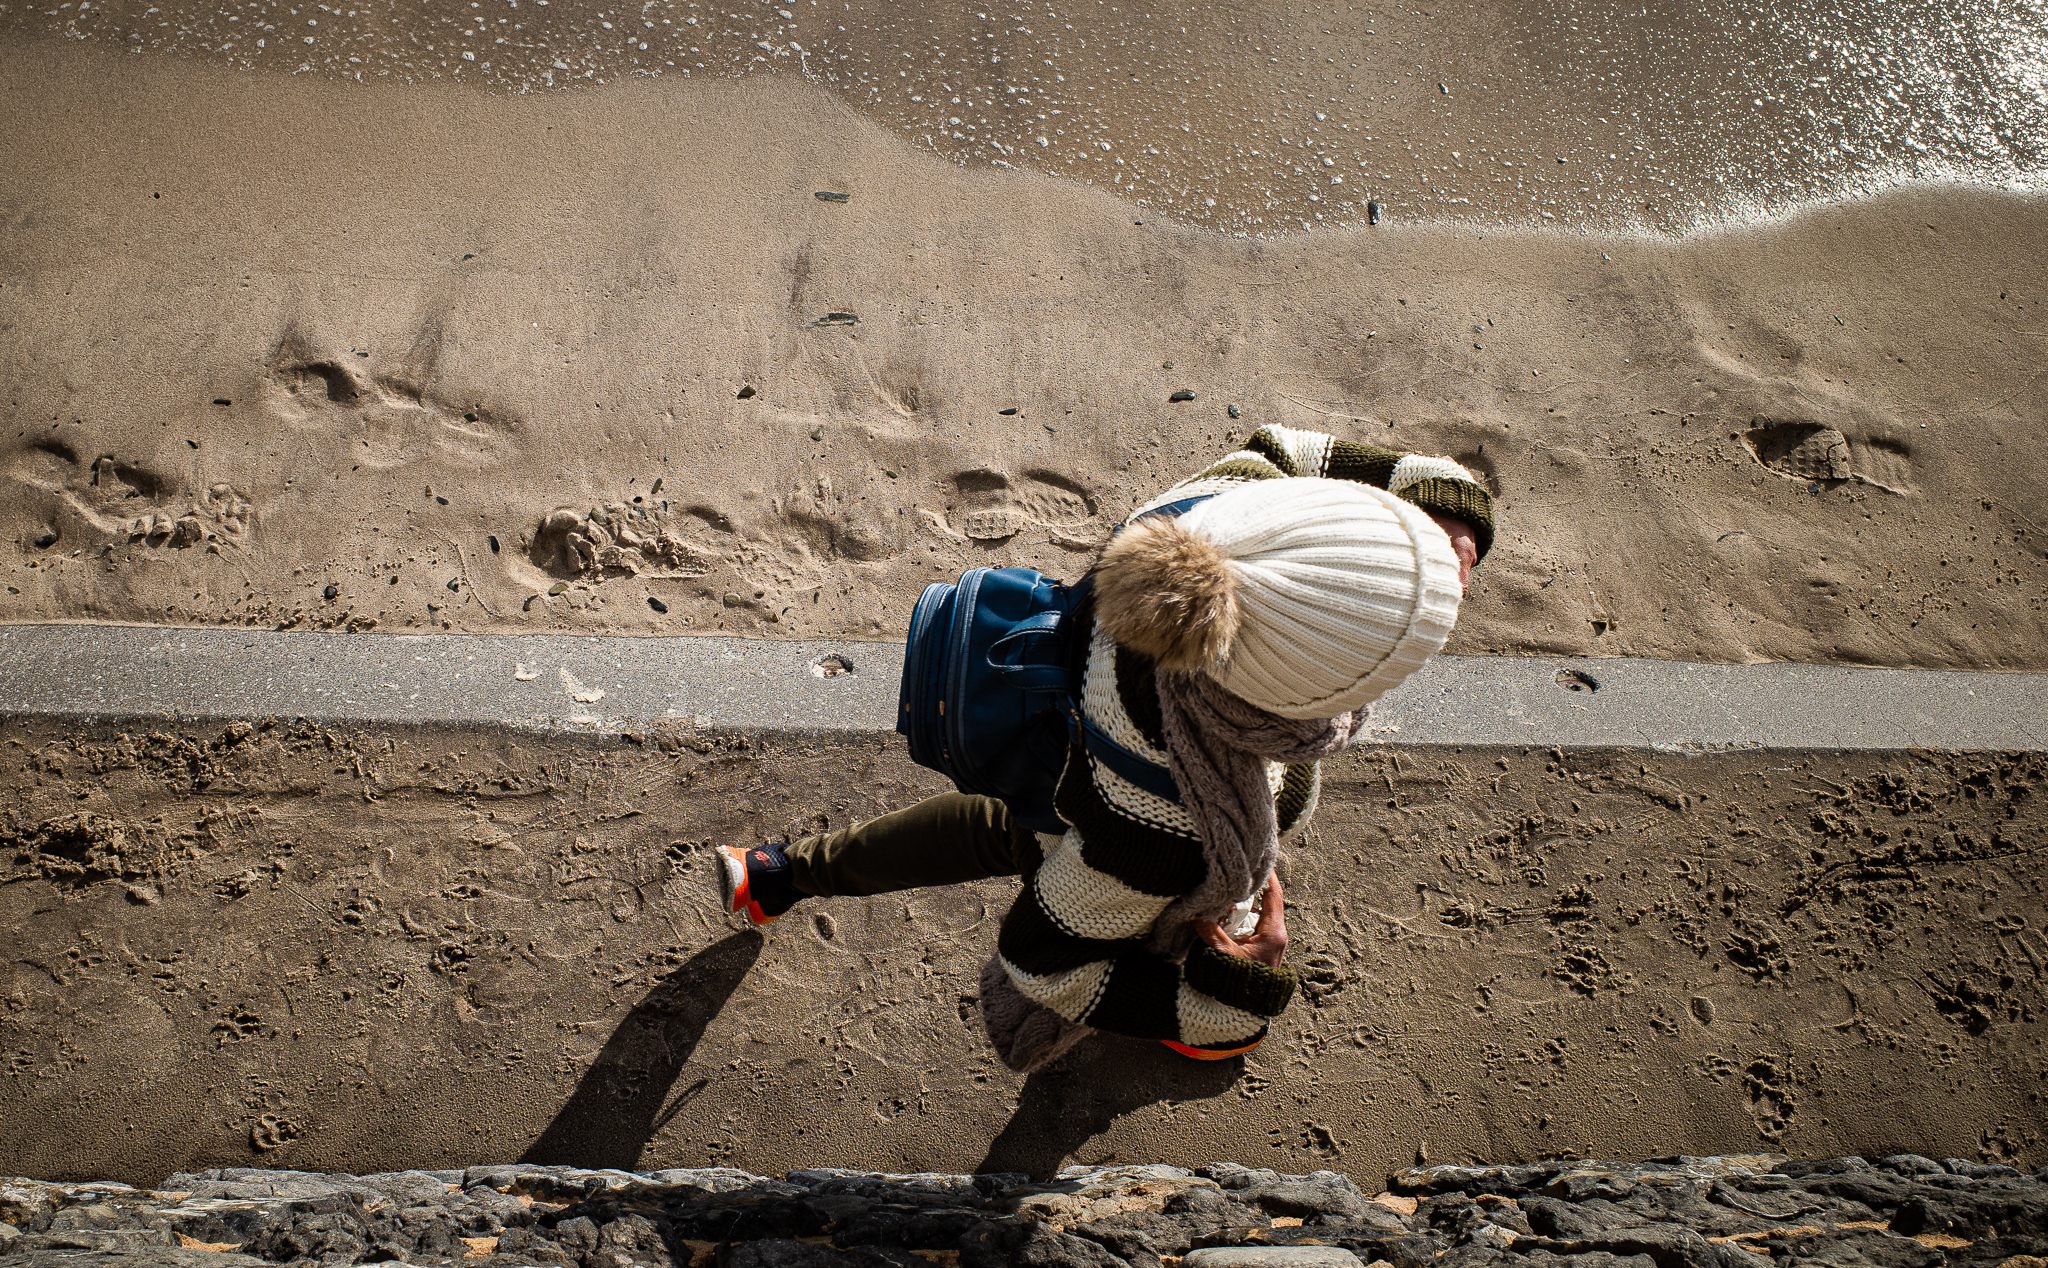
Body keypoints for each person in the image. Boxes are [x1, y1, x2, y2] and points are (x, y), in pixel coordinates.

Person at [715, 422, 1492, 1072]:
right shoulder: (1164, 833)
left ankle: (777, 878)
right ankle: (782, 880)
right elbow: (1042, 961)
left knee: (1005, 830)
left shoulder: (1202, 517)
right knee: (1048, 858)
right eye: (1392, 664)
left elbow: (1289, 452)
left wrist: (1443, 509)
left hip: (1076, 749)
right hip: (1106, 829)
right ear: (1310, 697)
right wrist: (1227, 998)